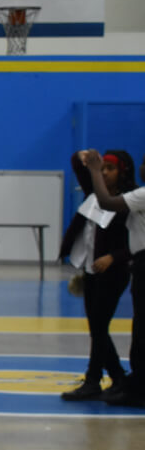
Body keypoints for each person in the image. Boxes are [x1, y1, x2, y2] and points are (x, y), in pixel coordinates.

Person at [58, 149, 135, 401]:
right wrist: (81, 157)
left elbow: (137, 241)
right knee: (96, 327)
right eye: (102, 169)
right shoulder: (95, 193)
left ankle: (94, 379)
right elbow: (79, 167)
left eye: (110, 169)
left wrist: (114, 256)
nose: (104, 174)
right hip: (90, 269)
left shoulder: (130, 200)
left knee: (99, 326)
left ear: (122, 171)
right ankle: (117, 377)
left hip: (113, 272)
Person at [84, 148, 145, 407]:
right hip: (138, 263)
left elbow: (108, 202)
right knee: (139, 327)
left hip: (140, 262)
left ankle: (137, 389)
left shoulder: (141, 195)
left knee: (141, 329)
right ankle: (134, 382)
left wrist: (96, 171)